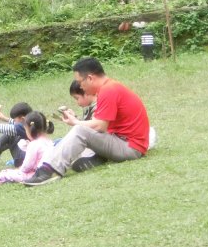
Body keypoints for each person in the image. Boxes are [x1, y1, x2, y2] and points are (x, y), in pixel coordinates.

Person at [25, 57, 150, 186]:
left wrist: (75, 123)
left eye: (80, 82)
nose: (80, 86)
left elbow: (100, 126)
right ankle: (97, 157)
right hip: (122, 141)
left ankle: (50, 171)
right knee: (78, 139)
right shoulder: (109, 88)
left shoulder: (108, 90)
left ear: (90, 78)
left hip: (130, 148)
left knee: (79, 131)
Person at [0, 111, 55, 187]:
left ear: (30, 129)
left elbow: (27, 166)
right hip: (46, 172)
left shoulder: (34, 144)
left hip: (34, 175)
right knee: (8, 173)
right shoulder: (48, 141)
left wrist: (20, 170)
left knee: (8, 174)